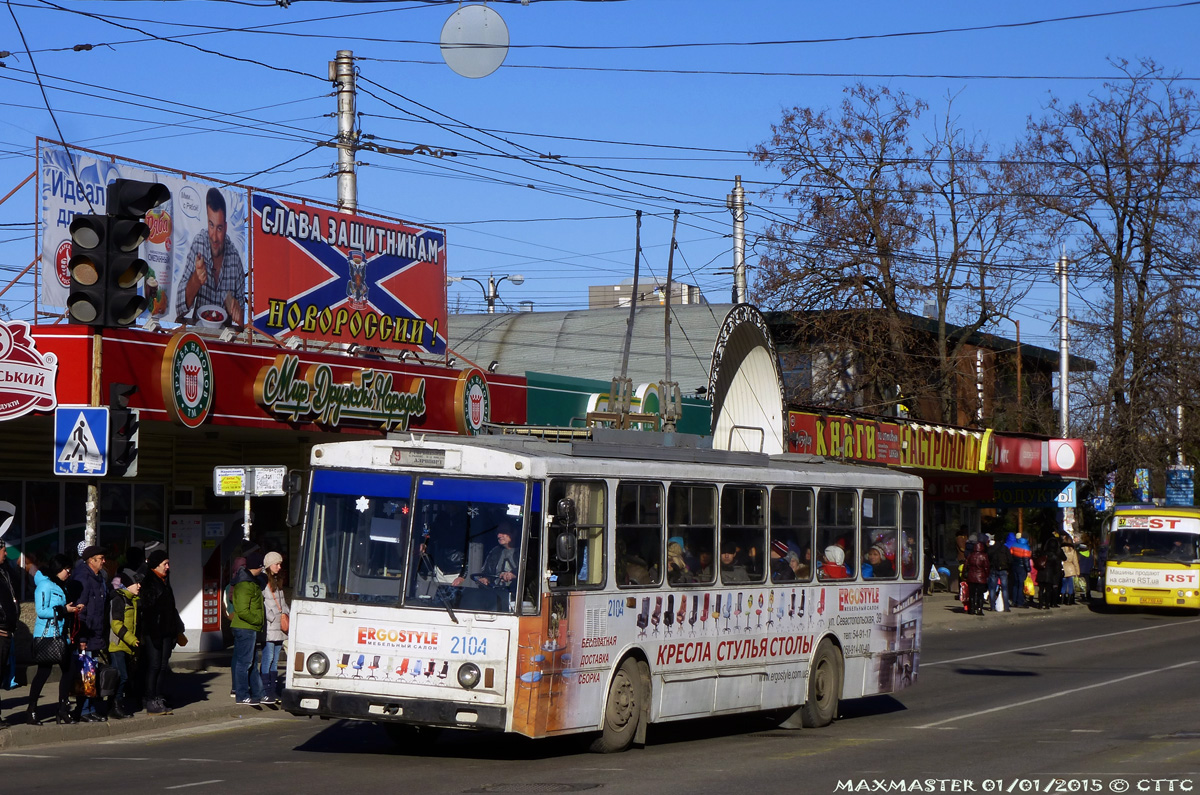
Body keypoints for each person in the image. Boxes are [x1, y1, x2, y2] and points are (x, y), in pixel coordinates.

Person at [175, 187, 245, 327]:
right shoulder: (199, 244)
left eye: (219, 228)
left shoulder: (235, 259)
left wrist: (236, 311)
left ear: (225, 227)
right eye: (211, 225)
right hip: (199, 337)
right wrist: (196, 279)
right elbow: (179, 309)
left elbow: (243, 324)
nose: (214, 237)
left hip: (225, 342)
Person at [26, 554, 81, 726]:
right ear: (58, 569)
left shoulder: (60, 586)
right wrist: (64, 609)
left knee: (69, 669)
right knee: (43, 672)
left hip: (61, 635)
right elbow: (42, 611)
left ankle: (62, 709)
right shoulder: (45, 585)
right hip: (47, 636)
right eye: (66, 570)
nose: (68, 573)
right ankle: (32, 709)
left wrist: (71, 610)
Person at [140, 549, 185, 715]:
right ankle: (151, 698)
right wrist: (154, 633)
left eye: (168, 563)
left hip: (167, 632)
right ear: (155, 565)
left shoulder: (165, 582)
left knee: (163, 666)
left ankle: (158, 697)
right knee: (154, 665)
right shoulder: (150, 582)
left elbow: (170, 609)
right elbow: (149, 611)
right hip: (155, 633)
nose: (168, 566)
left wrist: (174, 631)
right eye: (164, 564)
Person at [70, 545, 109, 721]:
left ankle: (90, 707)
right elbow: (81, 610)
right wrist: (82, 637)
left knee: (90, 671)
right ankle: (84, 709)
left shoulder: (97, 577)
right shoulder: (84, 577)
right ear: (91, 560)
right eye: (100, 558)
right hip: (86, 634)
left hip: (95, 632)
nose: (103, 561)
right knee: (86, 672)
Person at [231, 550, 266, 707]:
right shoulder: (245, 584)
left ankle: (258, 694)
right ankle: (242, 695)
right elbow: (243, 610)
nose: (263, 569)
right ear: (257, 567)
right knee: (244, 663)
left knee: (249, 663)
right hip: (246, 627)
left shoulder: (250, 582)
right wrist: (258, 620)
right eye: (262, 567)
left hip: (247, 627)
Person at [107, 567, 143, 719]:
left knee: (123, 676)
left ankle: (116, 704)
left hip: (127, 645)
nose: (139, 586)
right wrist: (132, 639)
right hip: (117, 645)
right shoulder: (119, 599)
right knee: (121, 676)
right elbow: (116, 625)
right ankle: (115, 706)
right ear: (128, 585)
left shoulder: (133, 600)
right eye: (136, 583)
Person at [261, 551, 289, 706]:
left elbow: (283, 602)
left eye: (280, 564)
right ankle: (266, 690)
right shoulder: (263, 582)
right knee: (268, 657)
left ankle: (273, 689)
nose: (279, 567)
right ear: (269, 565)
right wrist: (272, 617)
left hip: (280, 627)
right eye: (276, 564)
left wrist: (286, 614)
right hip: (271, 626)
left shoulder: (278, 581)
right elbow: (263, 604)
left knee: (275, 659)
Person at [473, 523, 519, 588]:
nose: (499, 535)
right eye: (498, 532)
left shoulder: (523, 551)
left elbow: (529, 571)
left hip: (517, 593)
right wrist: (486, 579)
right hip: (496, 592)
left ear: (514, 533)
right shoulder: (495, 551)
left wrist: (513, 574)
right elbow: (487, 571)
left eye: (503, 532)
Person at [1036, 530, 1065, 610]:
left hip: (1041, 573)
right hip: (1050, 574)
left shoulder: (1043, 553)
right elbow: (1056, 567)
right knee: (1048, 590)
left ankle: (1040, 604)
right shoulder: (1055, 556)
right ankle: (1047, 605)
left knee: (1041, 590)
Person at [964, 537, 990, 616]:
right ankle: (979, 609)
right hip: (981, 577)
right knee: (980, 594)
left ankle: (971, 609)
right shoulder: (984, 556)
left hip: (971, 577)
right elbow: (986, 567)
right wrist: (986, 576)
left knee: (972, 594)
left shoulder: (970, 555)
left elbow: (966, 566)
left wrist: (965, 574)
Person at [1007, 532, 1033, 609]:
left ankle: (1014, 601)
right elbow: (1026, 560)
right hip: (1022, 568)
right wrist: (1028, 570)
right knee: (1021, 585)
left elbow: (1011, 556)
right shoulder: (1026, 547)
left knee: (1015, 584)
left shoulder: (1014, 545)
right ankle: (1020, 602)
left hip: (1014, 567)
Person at [987, 533, 1011, 612]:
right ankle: (1006, 607)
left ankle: (992, 606)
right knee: (1005, 589)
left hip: (993, 569)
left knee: (992, 588)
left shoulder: (991, 548)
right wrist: (1008, 568)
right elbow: (1010, 560)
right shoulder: (1005, 548)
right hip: (1004, 569)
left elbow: (988, 558)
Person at [1061, 534, 1080, 605]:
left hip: (1063, 569)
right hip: (1071, 570)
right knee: (1071, 587)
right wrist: (1078, 572)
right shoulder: (1072, 551)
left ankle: (1062, 600)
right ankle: (1069, 601)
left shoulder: (1061, 549)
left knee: (1063, 586)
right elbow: (1075, 562)